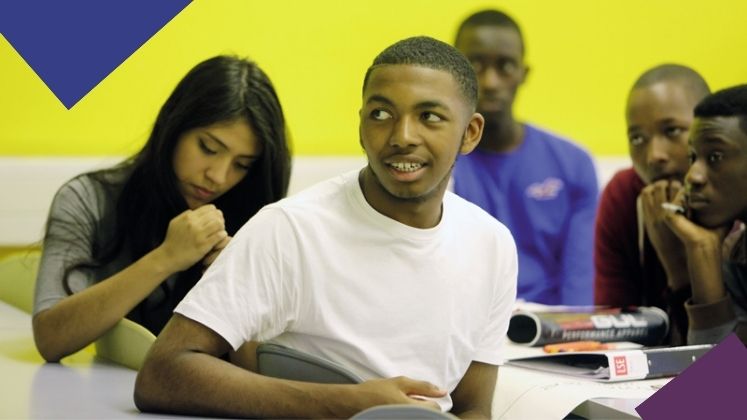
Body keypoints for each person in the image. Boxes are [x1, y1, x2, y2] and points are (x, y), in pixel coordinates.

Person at [134, 36, 517, 418]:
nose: (402, 137)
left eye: (429, 117)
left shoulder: (492, 244)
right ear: (361, 125)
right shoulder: (289, 229)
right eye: (381, 114)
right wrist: (348, 405)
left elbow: (472, 407)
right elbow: (162, 373)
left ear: (470, 133)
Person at [32, 55, 292, 362]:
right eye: (208, 148)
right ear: (174, 126)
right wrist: (167, 257)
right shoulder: (89, 199)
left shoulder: (261, 220)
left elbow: (257, 373)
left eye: (242, 165)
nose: (219, 176)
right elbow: (50, 339)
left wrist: (235, 281)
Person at [451, 9, 598, 305]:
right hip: (468, 334)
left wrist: (571, 344)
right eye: (476, 65)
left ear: (523, 73)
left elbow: (579, 284)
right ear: (455, 73)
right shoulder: (438, 163)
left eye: (505, 66)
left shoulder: (573, 164)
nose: (491, 82)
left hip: (551, 333)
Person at [594, 64, 710, 345]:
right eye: (637, 139)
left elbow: (727, 358)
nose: (653, 155)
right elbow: (615, 325)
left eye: (671, 131)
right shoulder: (623, 195)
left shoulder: (734, 199)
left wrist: (680, 268)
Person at [661, 84, 747, 345]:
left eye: (715, 157)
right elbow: (714, 381)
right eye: (693, 157)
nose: (693, 176)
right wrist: (701, 249)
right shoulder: (737, 254)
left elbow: (719, 384)